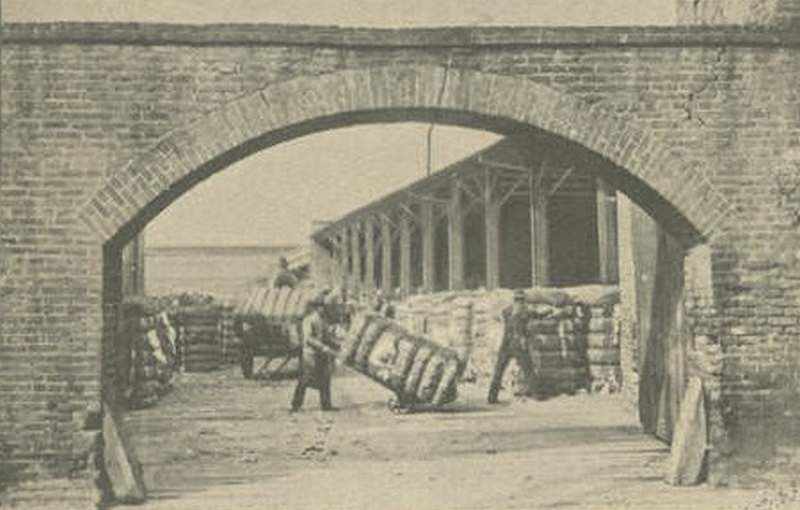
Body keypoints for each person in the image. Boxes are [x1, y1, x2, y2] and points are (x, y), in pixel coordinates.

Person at [290, 292, 336, 411]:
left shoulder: (323, 321)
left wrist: (336, 344)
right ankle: (296, 404)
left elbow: (327, 337)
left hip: (321, 354)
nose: (323, 309)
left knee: (325, 378)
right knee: (305, 379)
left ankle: (326, 405)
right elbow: (308, 339)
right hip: (310, 354)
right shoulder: (309, 320)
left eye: (324, 307)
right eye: (320, 307)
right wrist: (323, 347)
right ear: (316, 307)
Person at [487, 289, 535, 404]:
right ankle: (535, 393)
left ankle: (492, 396)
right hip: (517, 343)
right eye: (520, 299)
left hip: (505, 343)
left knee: (499, 370)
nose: (520, 301)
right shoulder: (525, 311)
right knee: (528, 368)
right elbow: (532, 319)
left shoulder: (507, 310)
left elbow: (500, 315)